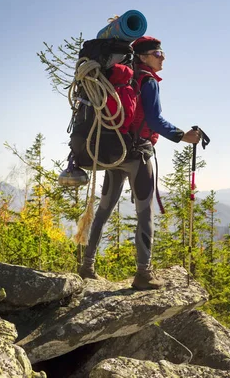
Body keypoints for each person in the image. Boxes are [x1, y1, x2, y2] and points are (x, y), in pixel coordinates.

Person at [78, 36, 201, 290]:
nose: (162, 57)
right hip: (138, 154)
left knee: (104, 210)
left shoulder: (125, 79)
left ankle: (87, 266)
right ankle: (143, 273)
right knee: (145, 214)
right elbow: (155, 120)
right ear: (144, 57)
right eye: (158, 53)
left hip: (116, 151)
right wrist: (182, 136)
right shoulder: (147, 81)